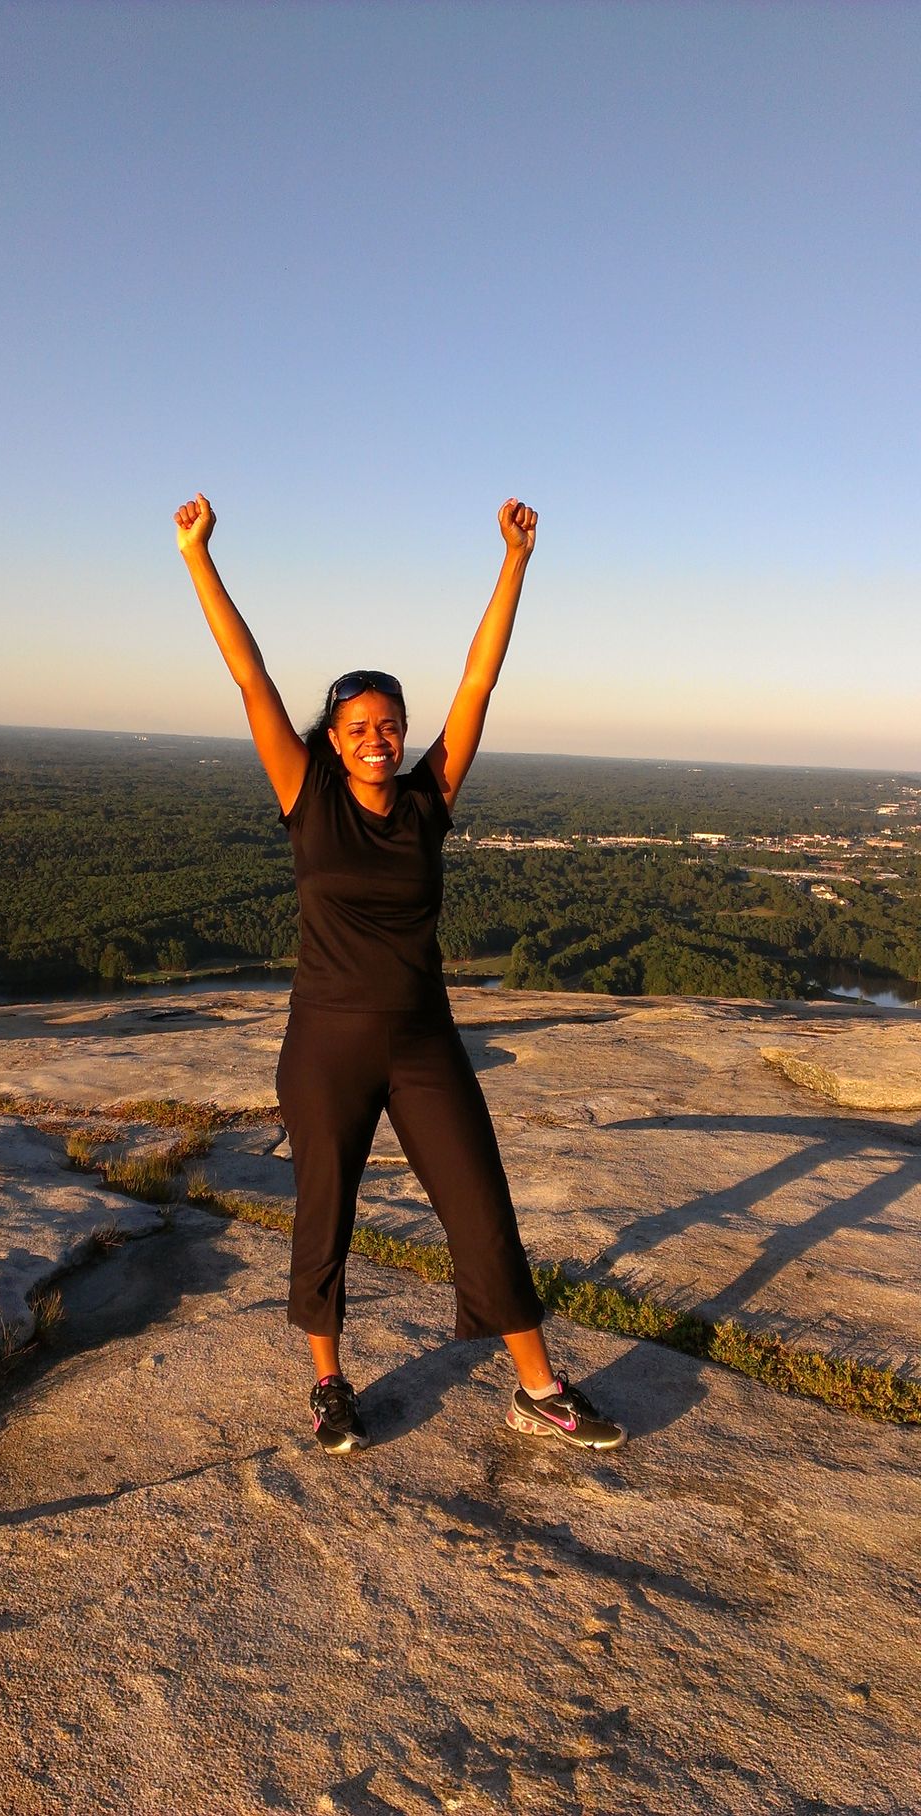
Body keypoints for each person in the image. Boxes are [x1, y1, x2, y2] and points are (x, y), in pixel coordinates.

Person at [175, 491, 627, 1458]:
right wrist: (198, 556)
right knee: (324, 1216)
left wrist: (514, 562)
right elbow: (250, 676)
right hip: (326, 1045)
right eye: (359, 727)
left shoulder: (430, 799)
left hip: (424, 1042)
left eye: (391, 725)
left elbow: (479, 682)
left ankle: (538, 1389)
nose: (378, 738)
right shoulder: (306, 794)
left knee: (481, 1207)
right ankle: (329, 1384)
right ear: (332, 741)